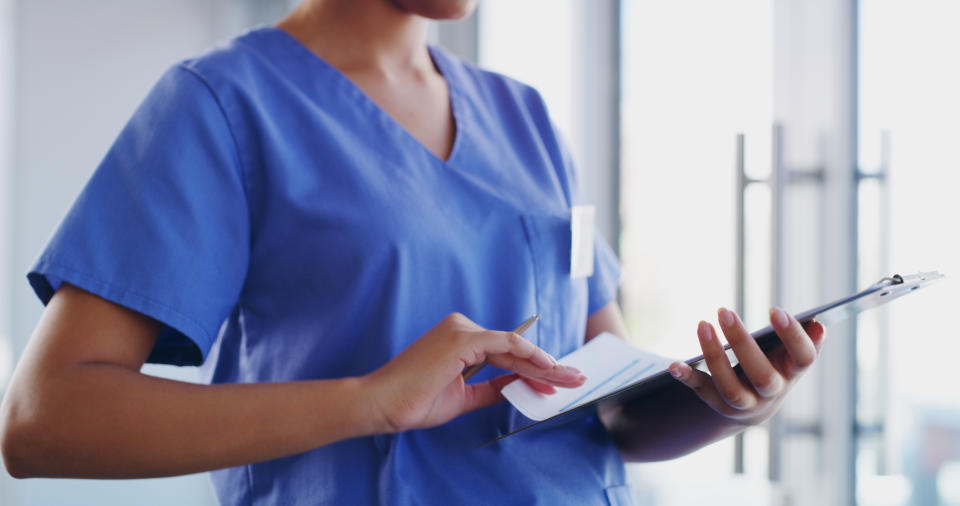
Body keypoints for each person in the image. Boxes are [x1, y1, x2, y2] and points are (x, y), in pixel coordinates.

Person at [0, 0, 826, 504]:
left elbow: (598, 396)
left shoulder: (526, 120)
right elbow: (43, 422)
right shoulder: (224, 107)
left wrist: (728, 405)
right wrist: (373, 399)